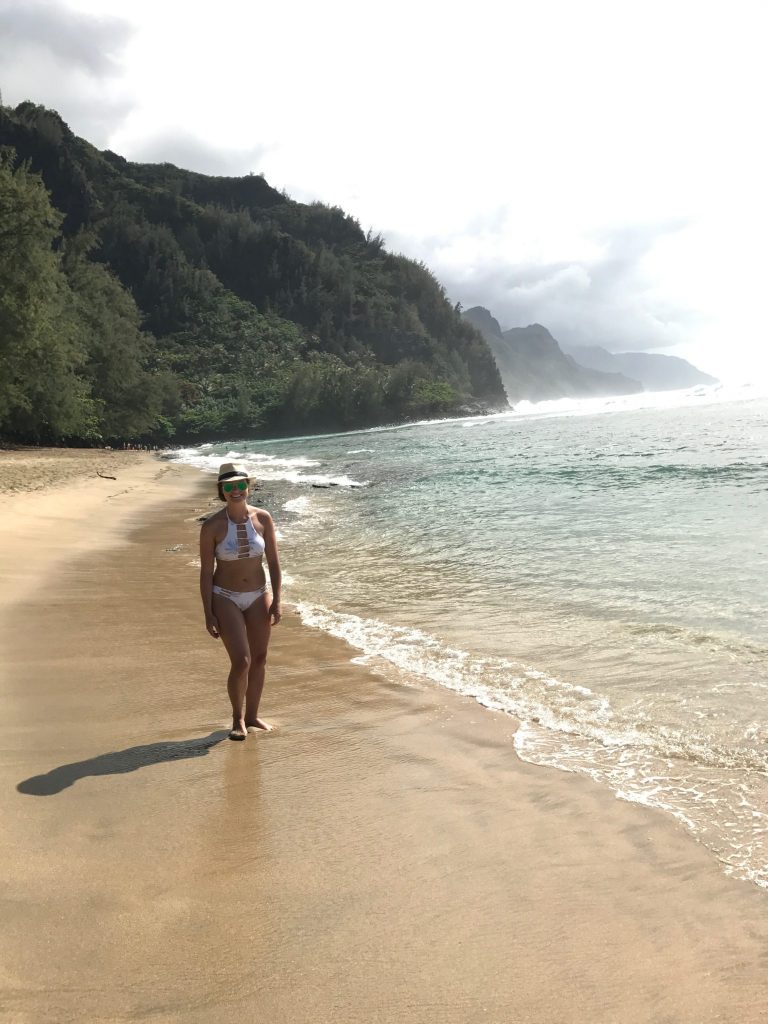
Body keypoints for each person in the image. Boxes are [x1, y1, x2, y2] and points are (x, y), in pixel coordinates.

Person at [199, 462, 282, 740]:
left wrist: (277, 599)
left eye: (240, 485)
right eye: (229, 487)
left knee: (260, 658)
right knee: (242, 661)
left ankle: (252, 715)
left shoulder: (263, 518)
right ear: (222, 491)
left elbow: (273, 561)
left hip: (259, 594)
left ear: (248, 486)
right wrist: (208, 612)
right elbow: (206, 571)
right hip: (225, 597)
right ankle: (237, 719)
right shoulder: (212, 526)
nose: (236, 491)